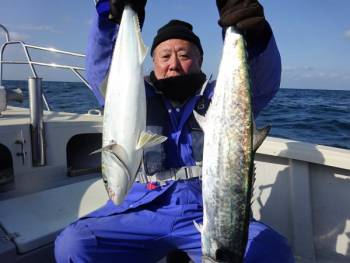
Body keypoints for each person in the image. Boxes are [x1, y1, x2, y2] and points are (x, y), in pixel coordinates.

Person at [55, 0, 294, 262]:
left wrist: (255, 35)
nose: (174, 64)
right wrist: (110, 16)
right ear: (150, 59)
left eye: (184, 55)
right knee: (75, 245)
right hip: (140, 208)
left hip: (208, 207)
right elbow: (103, 66)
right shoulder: (129, 96)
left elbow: (260, 83)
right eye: (165, 56)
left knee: (272, 250)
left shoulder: (218, 98)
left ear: (200, 59)